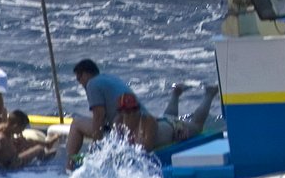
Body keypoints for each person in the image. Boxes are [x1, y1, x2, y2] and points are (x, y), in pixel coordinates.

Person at [64, 58, 214, 166]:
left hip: (168, 128)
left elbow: (143, 152)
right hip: (161, 122)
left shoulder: (146, 122)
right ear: (120, 112)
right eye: (124, 112)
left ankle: (209, 94)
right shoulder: (118, 119)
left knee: (195, 125)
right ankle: (176, 93)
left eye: (79, 79)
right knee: (168, 116)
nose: (127, 115)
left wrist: (99, 148)